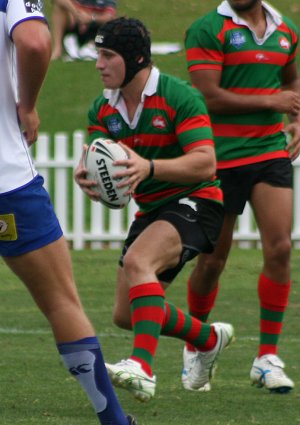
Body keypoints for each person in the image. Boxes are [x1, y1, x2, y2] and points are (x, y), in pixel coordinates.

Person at [75, 16, 234, 403]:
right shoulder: (102, 109)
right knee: (126, 315)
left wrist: (148, 168)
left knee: (137, 263)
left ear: (135, 59)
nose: (99, 64)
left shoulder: (179, 96)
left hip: (198, 199)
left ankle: (142, 368)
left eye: (108, 55)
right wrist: (88, 177)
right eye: (98, 54)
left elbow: (205, 163)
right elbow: (96, 158)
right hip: (153, 210)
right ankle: (208, 338)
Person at [0, 2, 136, 424]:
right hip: (6, 182)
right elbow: (37, 41)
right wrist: (27, 104)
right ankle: (113, 421)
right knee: (61, 300)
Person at [183, 0, 300, 394]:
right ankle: (197, 345)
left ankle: (266, 358)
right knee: (213, 260)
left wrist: (297, 117)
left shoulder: (287, 29)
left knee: (281, 248)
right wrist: (273, 102)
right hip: (220, 159)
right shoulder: (208, 29)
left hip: (270, 153)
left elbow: (292, 81)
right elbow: (208, 97)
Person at [50, 0, 117, 60]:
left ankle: (90, 46)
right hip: (78, 22)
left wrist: (90, 18)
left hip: (95, 27)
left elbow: (110, 17)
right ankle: (58, 49)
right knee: (59, 7)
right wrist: (76, 13)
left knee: (113, 24)